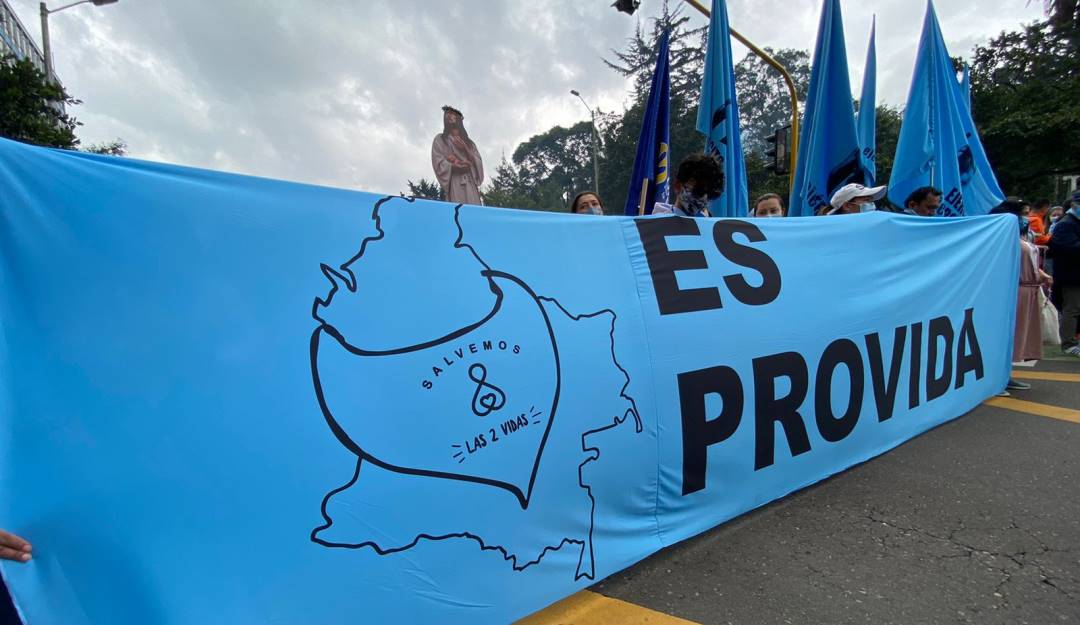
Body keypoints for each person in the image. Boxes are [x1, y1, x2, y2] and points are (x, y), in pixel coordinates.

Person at [991, 201, 1051, 392]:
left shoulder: (1021, 236)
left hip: (1027, 290)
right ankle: (997, 378)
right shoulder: (1003, 238)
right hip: (1013, 292)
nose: (1027, 218)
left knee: (1017, 337)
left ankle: (1005, 376)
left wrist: (1041, 275)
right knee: (1008, 335)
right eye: (1024, 214)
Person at [431, 106, 484, 205]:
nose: (449, 117)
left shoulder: (470, 143)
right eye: (447, 115)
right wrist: (454, 166)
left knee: (473, 210)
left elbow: (477, 162)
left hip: (470, 182)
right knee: (458, 211)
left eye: (452, 114)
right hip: (455, 182)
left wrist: (465, 148)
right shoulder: (441, 140)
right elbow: (438, 161)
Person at [1049, 200, 1080, 356]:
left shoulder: (1072, 222)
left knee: (1075, 309)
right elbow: (1069, 249)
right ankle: (1068, 343)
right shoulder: (1066, 224)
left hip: (1074, 274)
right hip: (1070, 275)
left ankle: (1072, 340)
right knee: (1072, 309)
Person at [652, 153, 724, 217]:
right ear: (678, 186)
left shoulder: (717, 229)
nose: (704, 197)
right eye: (699, 191)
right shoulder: (655, 226)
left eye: (710, 194)